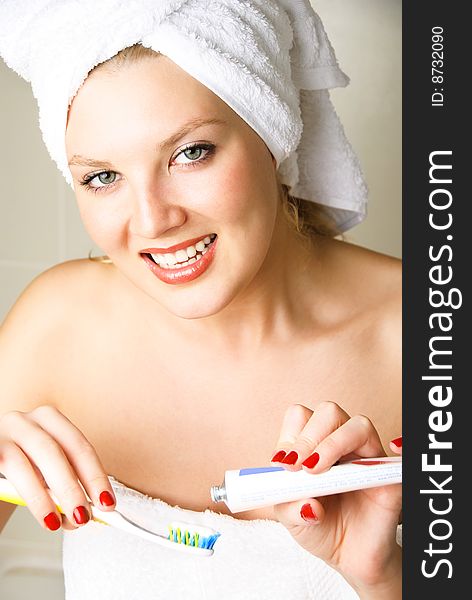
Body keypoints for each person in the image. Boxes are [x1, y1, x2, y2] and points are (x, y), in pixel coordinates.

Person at [0, 1, 401, 598]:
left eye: (191, 152)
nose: (153, 219)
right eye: (102, 177)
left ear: (272, 130)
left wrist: (381, 577)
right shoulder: (57, 327)